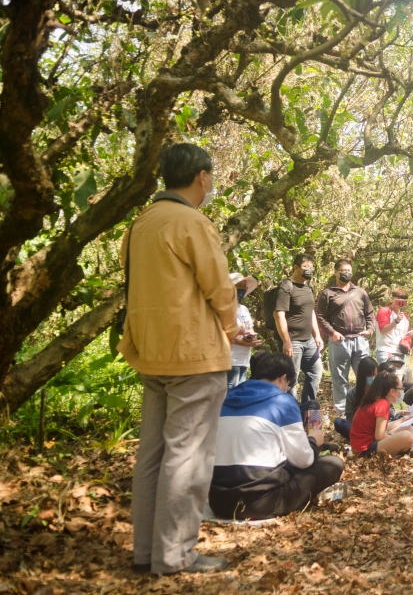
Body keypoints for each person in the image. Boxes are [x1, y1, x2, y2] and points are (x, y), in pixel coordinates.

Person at [119, 143, 240, 574]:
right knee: (187, 456)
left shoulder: (140, 224)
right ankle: (174, 555)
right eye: (211, 177)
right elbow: (219, 286)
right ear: (201, 177)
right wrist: (232, 326)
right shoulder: (191, 222)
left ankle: (146, 551)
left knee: (152, 454)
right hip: (193, 354)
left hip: (151, 352)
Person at [209, 352, 345, 520]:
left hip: (218, 501)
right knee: (333, 463)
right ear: (283, 378)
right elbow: (304, 460)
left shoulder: (225, 398)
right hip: (260, 503)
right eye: (288, 384)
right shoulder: (282, 401)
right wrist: (313, 441)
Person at [316, 258, 376, 416]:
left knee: (367, 377)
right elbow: (320, 317)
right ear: (335, 272)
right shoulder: (328, 293)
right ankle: (343, 414)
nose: (346, 273)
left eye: (349, 270)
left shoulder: (360, 292)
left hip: (360, 340)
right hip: (339, 340)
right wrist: (332, 333)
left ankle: (365, 410)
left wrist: (370, 329)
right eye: (343, 270)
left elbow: (370, 313)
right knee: (340, 379)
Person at [273, 254, 325, 404]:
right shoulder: (286, 287)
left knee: (316, 373)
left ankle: (309, 411)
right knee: (291, 380)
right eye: (305, 267)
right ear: (295, 267)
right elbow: (279, 315)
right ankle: (291, 413)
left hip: (309, 341)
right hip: (293, 341)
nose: (309, 270)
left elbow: (311, 313)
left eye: (311, 267)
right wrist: (286, 341)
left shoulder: (309, 286)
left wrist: (317, 335)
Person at [350, 370, 413, 457]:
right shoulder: (383, 404)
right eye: (400, 390)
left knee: (408, 427)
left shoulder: (377, 400)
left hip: (368, 444)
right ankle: (412, 448)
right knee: (408, 436)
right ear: (392, 391)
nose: (401, 394)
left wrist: (402, 420)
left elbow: (382, 427)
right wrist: (394, 438)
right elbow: (379, 436)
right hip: (365, 450)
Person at [228, 273, 261, 389]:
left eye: (244, 286)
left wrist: (252, 339)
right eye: (239, 285)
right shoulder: (225, 309)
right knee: (230, 392)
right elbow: (228, 332)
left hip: (244, 359)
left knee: (241, 391)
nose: (241, 288)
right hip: (231, 359)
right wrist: (245, 343)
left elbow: (249, 329)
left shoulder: (244, 309)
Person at [333, 356, 377, 440]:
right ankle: (365, 437)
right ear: (363, 375)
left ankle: (365, 437)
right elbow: (349, 416)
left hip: (378, 425)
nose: (373, 378)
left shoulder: (380, 389)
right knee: (339, 422)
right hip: (360, 427)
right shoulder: (352, 393)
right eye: (370, 375)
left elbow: (390, 409)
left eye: (375, 374)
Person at [375, 288, 413, 364]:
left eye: (403, 301)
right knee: (387, 375)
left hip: (400, 352)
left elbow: (406, 335)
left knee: (400, 376)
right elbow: (383, 331)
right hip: (386, 350)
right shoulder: (384, 311)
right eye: (398, 299)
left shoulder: (405, 316)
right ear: (392, 299)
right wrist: (396, 321)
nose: (400, 303)